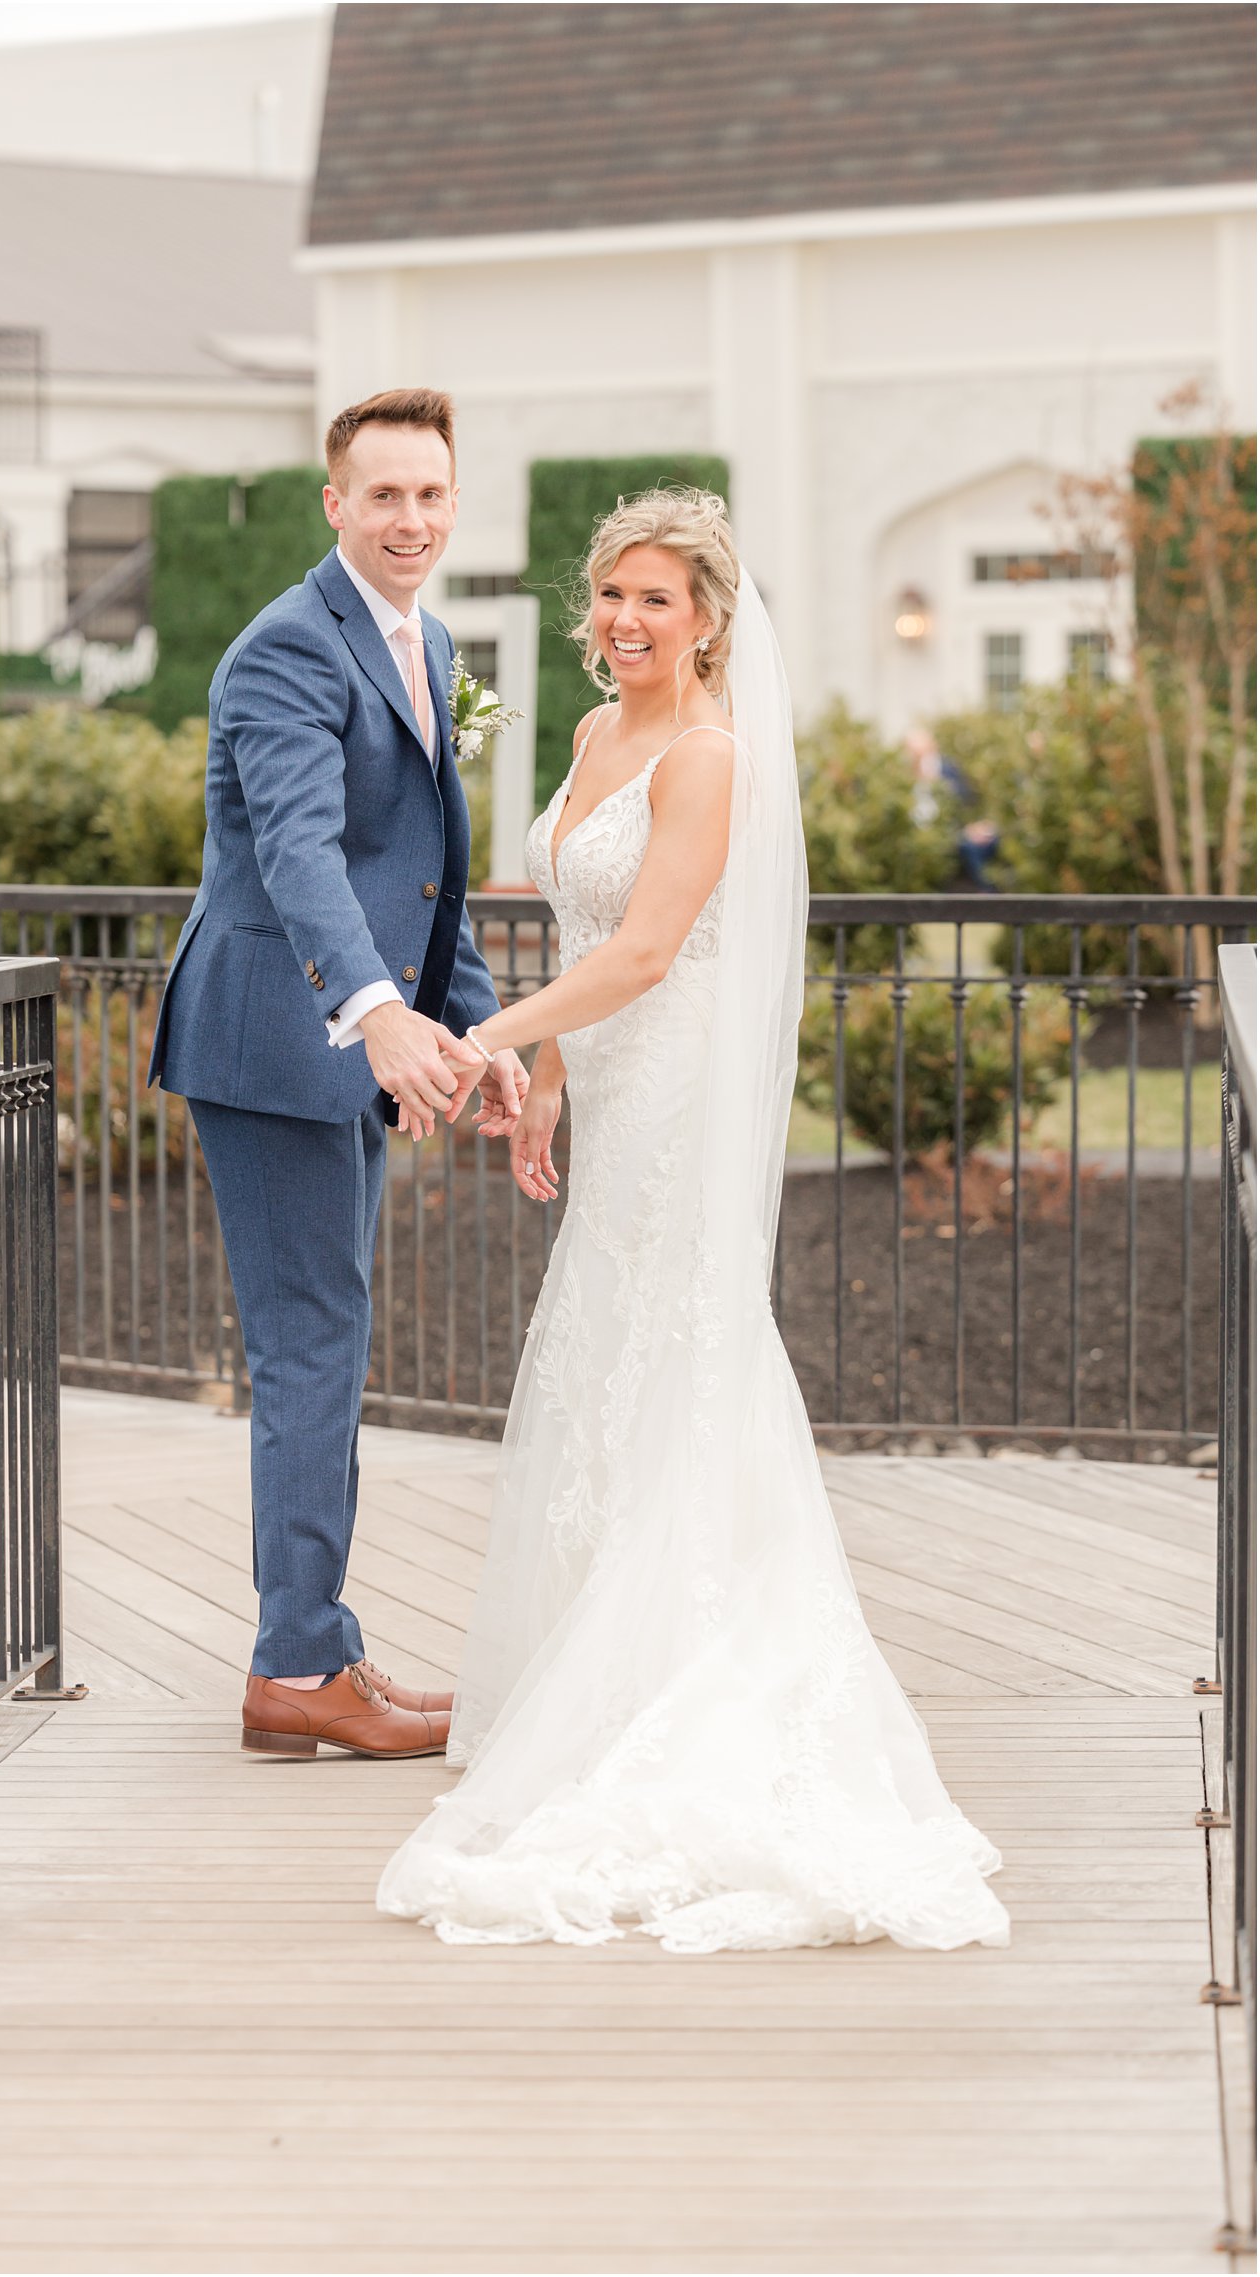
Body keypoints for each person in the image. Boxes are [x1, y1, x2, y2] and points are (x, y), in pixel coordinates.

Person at [377, 489, 1010, 1953]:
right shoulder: (601, 735)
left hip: (681, 1086)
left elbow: (654, 948)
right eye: (610, 594)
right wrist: (539, 1074)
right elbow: (582, 933)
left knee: (684, 1348)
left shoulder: (714, 755)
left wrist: (478, 1040)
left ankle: (689, 1670)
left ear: (712, 617)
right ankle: (605, 1674)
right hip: (605, 1075)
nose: (624, 620)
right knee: (609, 1350)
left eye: (656, 598)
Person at [148, 387, 528, 1759]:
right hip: (275, 1042)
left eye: (431, 495)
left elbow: (423, 880)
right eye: (385, 496)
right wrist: (374, 1012)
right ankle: (298, 1667)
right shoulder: (285, 652)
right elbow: (305, 856)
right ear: (335, 502)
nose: (411, 520)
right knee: (312, 1346)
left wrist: (477, 1037)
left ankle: (319, 1642)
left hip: (339, 1048)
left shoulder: (416, 640)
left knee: (332, 1338)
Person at [905, 723, 1001, 890]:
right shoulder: (904, 774)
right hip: (920, 833)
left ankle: (990, 896)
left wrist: (971, 827)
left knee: (978, 843)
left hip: (950, 830)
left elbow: (964, 801)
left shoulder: (947, 769)